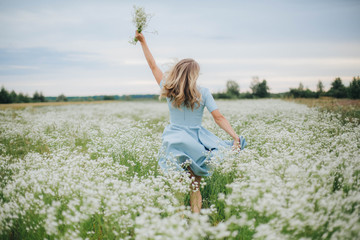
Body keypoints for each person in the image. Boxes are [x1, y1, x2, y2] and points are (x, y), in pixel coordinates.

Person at [135, 31, 246, 213]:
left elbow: (152, 66)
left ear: (177, 72)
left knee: (178, 188)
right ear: (195, 74)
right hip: (196, 143)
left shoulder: (168, 88)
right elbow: (218, 117)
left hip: (175, 142)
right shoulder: (204, 92)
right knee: (195, 187)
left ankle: (178, 225)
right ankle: (195, 222)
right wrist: (234, 137)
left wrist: (143, 41)